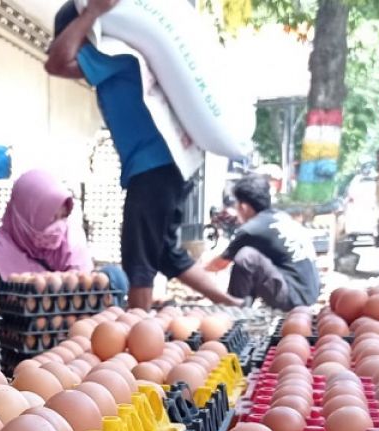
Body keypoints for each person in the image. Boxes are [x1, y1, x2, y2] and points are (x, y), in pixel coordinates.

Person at [47, 0, 239, 310]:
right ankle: (232, 302)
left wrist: (91, 12)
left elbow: (55, 63)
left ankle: (138, 338)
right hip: (170, 166)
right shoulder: (119, 57)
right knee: (165, 253)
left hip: (154, 167)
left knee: (138, 261)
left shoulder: (114, 53)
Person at [0, 169, 129, 295]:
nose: (58, 228)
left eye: (62, 217)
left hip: (70, 319)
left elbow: (82, 283)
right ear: (26, 217)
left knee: (114, 276)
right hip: (21, 324)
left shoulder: (69, 238)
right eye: (51, 219)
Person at [205, 175, 320, 310]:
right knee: (254, 258)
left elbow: (219, 264)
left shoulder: (253, 229)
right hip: (308, 294)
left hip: (293, 299)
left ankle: (234, 312)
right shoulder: (281, 217)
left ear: (244, 207)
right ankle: (244, 307)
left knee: (247, 257)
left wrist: (193, 269)